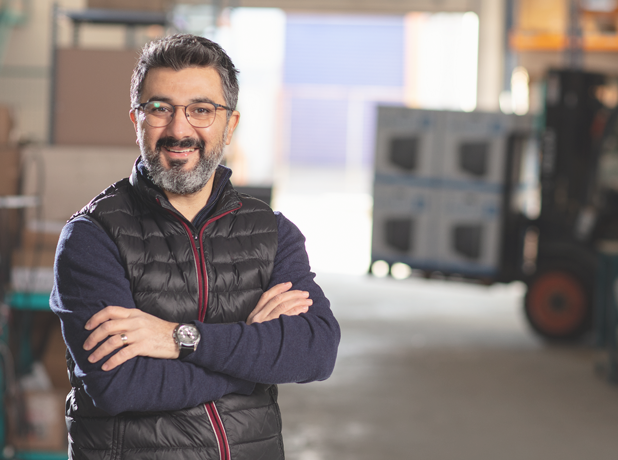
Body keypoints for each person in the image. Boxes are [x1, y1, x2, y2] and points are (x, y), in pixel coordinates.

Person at [50, 34, 340, 460]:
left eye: (201, 110)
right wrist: (253, 359)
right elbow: (119, 385)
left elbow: (316, 350)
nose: (179, 129)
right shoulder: (92, 237)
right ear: (137, 119)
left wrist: (180, 339)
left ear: (230, 123)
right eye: (160, 109)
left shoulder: (272, 233)